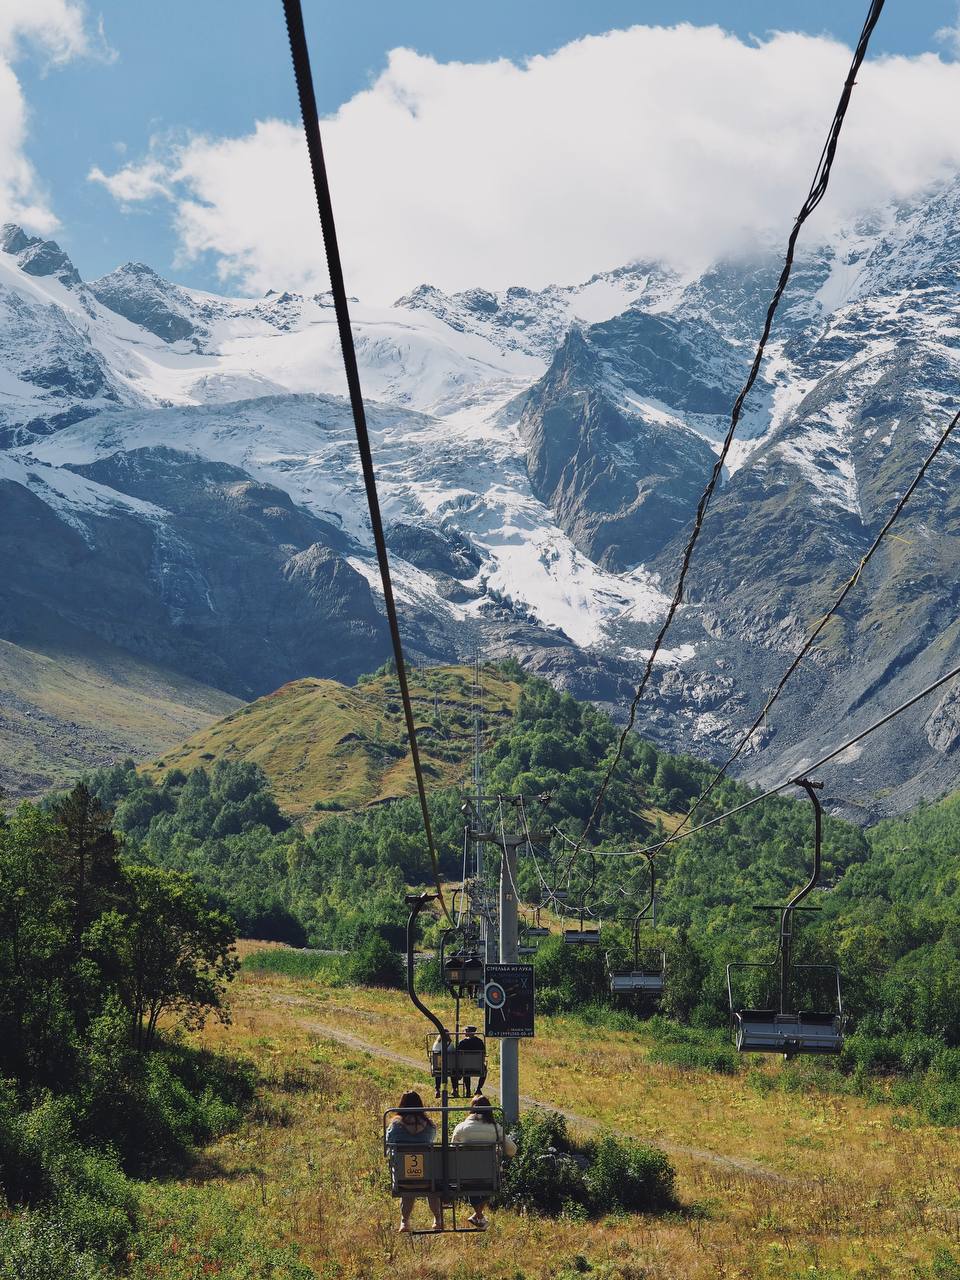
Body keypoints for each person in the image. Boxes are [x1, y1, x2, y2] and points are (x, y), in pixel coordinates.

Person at [451, 1095, 517, 1230]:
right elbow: (511, 1150)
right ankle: (478, 1215)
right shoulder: (495, 1128)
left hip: (465, 1174)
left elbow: (452, 1151)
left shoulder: (461, 1128)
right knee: (493, 1183)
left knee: (471, 1183)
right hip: (490, 1173)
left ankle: (478, 1215)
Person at [385, 1090, 442, 1232]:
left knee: (407, 1183)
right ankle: (438, 1219)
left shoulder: (395, 1125)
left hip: (403, 1177)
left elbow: (388, 1143)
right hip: (428, 1178)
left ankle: (404, 1221)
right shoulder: (429, 1126)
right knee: (431, 1187)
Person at [451, 1026, 486, 1097]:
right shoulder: (479, 1042)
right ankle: (478, 1089)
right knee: (485, 1070)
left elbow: (457, 1055)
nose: (464, 1032)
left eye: (465, 1031)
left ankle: (466, 1090)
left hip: (464, 1067)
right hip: (477, 1066)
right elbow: (483, 1053)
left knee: (464, 1069)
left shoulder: (462, 1043)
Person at [430, 1029, 451, 1097]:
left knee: (438, 1071)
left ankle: (438, 1089)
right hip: (450, 1067)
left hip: (438, 1066)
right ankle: (454, 1088)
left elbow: (434, 1053)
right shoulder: (451, 1044)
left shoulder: (436, 1044)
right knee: (453, 1073)